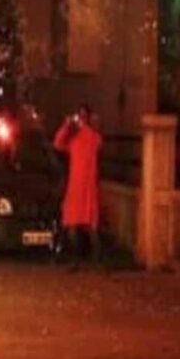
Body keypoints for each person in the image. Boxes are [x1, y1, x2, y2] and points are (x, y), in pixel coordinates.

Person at [53, 104, 103, 269]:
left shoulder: (91, 136)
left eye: (84, 116)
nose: (81, 119)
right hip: (75, 188)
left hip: (87, 188)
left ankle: (95, 260)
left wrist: (87, 127)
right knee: (72, 227)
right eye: (79, 115)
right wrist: (67, 126)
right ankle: (76, 261)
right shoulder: (74, 138)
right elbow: (58, 144)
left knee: (91, 228)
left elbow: (98, 142)